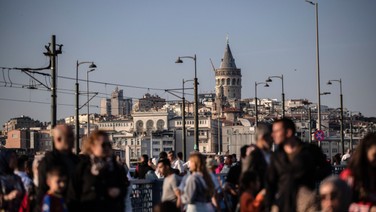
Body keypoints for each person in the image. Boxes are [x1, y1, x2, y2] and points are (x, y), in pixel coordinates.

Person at [265, 118, 332, 212]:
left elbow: (326, 168)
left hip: (306, 202)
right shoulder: (276, 156)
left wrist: (312, 176)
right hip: (283, 204)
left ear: (288, 132)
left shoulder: (310, 150)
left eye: (276, 131)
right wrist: (268, 207)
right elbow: (270, 184)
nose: (273, 135)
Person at [67, 130, 129, 211]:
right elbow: (72, 195)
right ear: (92, 146)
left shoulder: (116, 167)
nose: (107, 148)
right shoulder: (83, 167)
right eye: (103, 145)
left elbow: (124, 188)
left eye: (109, 145)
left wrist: (118, 192)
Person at [36, 124, 79, 210]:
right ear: (58, 139)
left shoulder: (76, 160)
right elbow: (42, 191)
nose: (73, 139)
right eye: (70, 136)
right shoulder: (48, 162)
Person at [340, 132, 376, 210]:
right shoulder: (350, 175)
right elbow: (342, 203)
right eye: (375, 155)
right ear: (365, 152)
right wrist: (369, 209)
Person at [242, 124, 273, 191]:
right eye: (270, 137)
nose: (272, 141)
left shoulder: (273, 155)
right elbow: (245, 180)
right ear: (262, 137)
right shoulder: (253, 156)